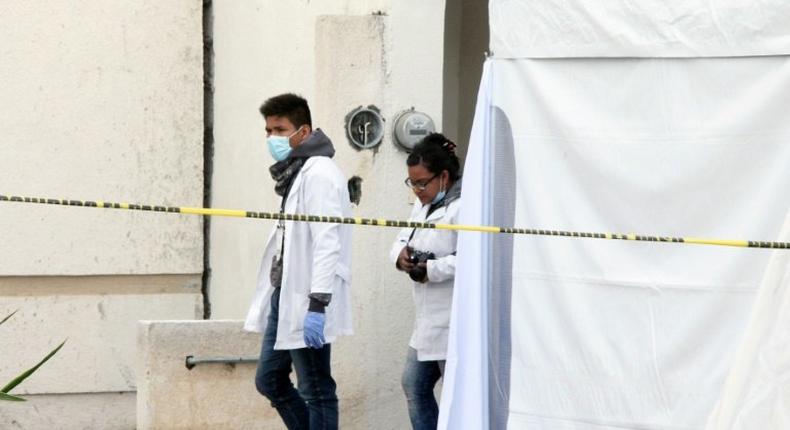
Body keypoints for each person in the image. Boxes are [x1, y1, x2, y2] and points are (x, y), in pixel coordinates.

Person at [245, 93, 353, 430]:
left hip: (308, 298)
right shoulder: (299, 172)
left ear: (303, 132)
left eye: (280, 129)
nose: (272, 139)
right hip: (285, 293)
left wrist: (318, 304)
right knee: (270, 380)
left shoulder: (320, 174)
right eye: (268, 131)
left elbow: (327, 240)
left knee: (317, 389)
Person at [389, 133, 462, 430]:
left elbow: (470, 259)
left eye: (422, 182)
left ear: (443, 176)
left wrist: (431, 269)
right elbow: (401, 239)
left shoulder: (464, 207)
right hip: (428, 321)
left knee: (454, 396)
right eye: (413, 183)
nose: (417, 190)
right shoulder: (422, 205)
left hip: (453, 318)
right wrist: (401, 257)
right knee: (413, 385)